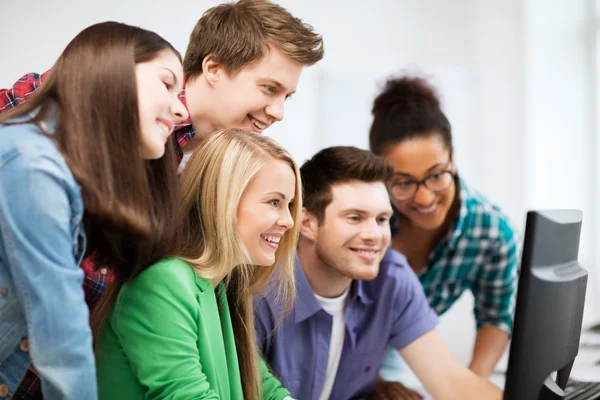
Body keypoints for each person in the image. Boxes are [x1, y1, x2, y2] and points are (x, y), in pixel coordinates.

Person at [0, 1, 323, 397]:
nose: (278, 112)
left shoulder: (219, 172)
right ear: (213, 68)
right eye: (269, 88)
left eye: (287, 96)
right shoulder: (112, 102)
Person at [0, 21, 187, 399]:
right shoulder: (33, 165)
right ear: (111, 72)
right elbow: (61, 337)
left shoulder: (59, 172)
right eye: (167, 84)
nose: (181, 110)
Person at [254, 146, 503, 400]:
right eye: (355, 218)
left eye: (382, 219)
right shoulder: (260, 290)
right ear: (307, 223)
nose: (374, 235)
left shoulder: (392, 279)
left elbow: (451, 381)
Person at [95, 129, 302, 400]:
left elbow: (260, 383)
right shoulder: (163, 282)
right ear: (222, 200)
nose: (288, 220)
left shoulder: (221, 286)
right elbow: (187, 395)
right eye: (274, 202)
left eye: (290, 204)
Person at [369, 76, 520, 384]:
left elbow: (495, 316)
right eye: (404, 182)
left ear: (453, 158)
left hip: (405, 351)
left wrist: (472, 384)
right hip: (343, 352)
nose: (424, 198)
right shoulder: (362, 218)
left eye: (437, 175)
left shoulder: (491, 232)